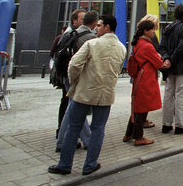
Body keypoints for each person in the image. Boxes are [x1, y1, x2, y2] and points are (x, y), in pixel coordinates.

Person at [48, 14, 126, 176]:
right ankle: (90, 164)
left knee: (73, 127)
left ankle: (65, 165)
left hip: (84, 92)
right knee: (98, 129)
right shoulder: (121, 48)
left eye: (99, 25)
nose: (96, 28)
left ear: (107, 27)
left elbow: (74, 65)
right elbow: (117, 70)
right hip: (105, 94)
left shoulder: (92, 44)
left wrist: (75, 82)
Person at [55, 10, 99, 152]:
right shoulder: (90, 38)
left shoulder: (69, 33)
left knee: (73, 107)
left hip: (67, 75)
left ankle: (66, 140)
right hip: (79, 77)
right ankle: (82, 140)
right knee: (75, 108)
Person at [123, 18, 163, 146]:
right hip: (146, 78)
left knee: (137, 107)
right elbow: (158, 62)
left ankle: (129, 133)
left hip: (140, 77)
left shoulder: (138, 43)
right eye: (151, 29)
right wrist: (159, 57)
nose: (153, 31)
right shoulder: (147, 46)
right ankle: (138, 137)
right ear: (145, 31)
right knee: (142, 108)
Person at [159, 4, 183, 134]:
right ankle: (180, 125)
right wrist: (172, 60)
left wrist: (167, 59)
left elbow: (162, 47)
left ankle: (166, 123)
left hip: (170, 67)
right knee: (181, 94)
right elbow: (182, 47)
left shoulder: (168, 27)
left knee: (168, 94)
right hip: (182, 66)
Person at [50, 8, 85, 138]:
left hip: (69, 74)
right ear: (74, 20)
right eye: (82, 18)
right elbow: (56, 54)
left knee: (70, 103)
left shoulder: (75, 33)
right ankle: (63, 132)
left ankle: (65, 132)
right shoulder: (69, 34)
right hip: (68, 75)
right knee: (68, 103)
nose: (84, 20)